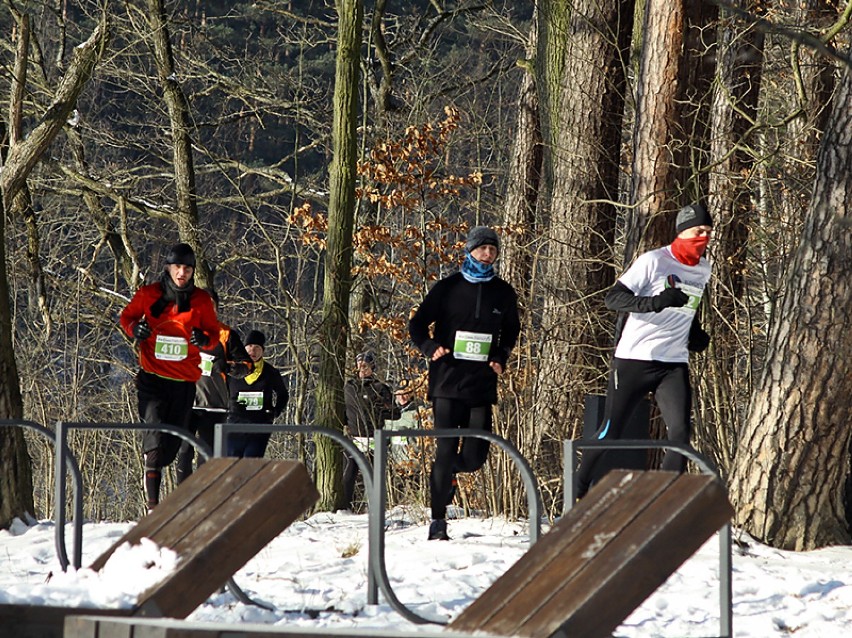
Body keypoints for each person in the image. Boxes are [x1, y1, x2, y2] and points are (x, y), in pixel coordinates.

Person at [575, 202, 713, 499]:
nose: (704, 238)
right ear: (682, 232)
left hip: (673, 363)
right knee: (611, 432)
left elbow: (688, 307)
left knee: (680, 434)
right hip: (634, 360)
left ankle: (661, 498)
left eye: (708, 232)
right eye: (698, 231)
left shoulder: (704, 268)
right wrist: (654, 303)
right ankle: (578, 487)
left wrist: (696, 334)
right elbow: (614, 299)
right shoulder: (653, 261)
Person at [409, 226, 520, 541]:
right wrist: (431, 348)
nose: (488, 254)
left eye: (493, 250)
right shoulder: (447, 288)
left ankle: (449, 476)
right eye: (483, 249)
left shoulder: (503, 292)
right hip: (446, 382)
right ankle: (438, 521)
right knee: (445, 451)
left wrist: (500, 355)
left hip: (481, 385)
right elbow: (416, 324)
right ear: (469, 251)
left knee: (474, 458)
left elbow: (511, 330)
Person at [119, 242, 219, 511]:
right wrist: (134, 330)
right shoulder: (148, 294)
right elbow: (126, 317)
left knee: (170, 448)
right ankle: (153, 507)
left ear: (192, 271)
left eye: (187, 268)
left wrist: (203, 339)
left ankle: (157, 467)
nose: (182, 273)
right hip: (152, 379)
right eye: (177, 267)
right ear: (168, 268)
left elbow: (213, 336)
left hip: (185, 383)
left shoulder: (201, 301)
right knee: (154, 441)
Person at [175, 290, 253, 483]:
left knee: (207, 455)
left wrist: (226, 366)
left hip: (215, 404)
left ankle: (203, 498)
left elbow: (247, 367)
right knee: (183, 451)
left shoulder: (226, 334)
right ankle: (183, 500)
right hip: (186, 402)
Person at [341, 350, 394, 511]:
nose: (362, 368)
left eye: (366, 365)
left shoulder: (380, 387)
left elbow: (395, 412)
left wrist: (380, 410)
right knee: (348, 476)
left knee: (372, 476)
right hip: (354, 439)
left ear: (372, 367)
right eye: (359, 365)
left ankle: (374, 508)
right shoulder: (349, 387)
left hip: (373, 438)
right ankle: (345, 508)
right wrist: (345, 424)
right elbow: (341, 410)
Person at [227, 329, 288, 458]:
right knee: (232, 461)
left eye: (257, 347)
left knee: (251, 460)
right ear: (244, 349)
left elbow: (283, 394)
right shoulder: (233, 371)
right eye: (249, 347)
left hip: (260, 424)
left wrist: (275, 411)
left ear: (263, 351)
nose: (253, 351)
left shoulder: (270, 372)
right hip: (235, 423)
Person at [384, 379, 424, 464]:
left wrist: (405, 433)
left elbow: (425, 439)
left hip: (414, 463)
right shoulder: (390, 414)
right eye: (398, 394)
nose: (401, 397)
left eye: (405, 394)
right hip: (395, 463)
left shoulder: (419, 412)